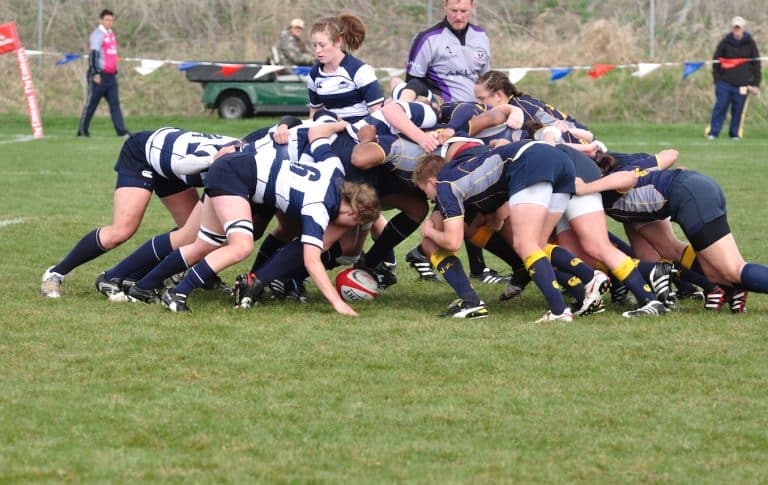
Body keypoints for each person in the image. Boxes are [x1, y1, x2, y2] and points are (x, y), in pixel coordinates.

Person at [40, 128, 241, 299]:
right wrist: (213, 159)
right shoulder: (226, 156)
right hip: (143, 154)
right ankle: (55, 273)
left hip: (172, 170)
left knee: (197, 233)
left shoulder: (246, 160)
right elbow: (181, 165)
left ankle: (184, 277)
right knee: (122, 230)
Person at [403, 1, 501, 285]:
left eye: (464, 11)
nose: (459, 16)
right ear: (444, 5)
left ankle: (431, 255)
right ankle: (468, 264)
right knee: (460, 188)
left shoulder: (481, 36)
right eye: (454, 10)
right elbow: (414, 83)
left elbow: (487, 80)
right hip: (447, 123)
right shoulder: (427, 38)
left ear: (473, 6)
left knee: (478, 189)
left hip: (478, 120)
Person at [706, 16, 761, 140]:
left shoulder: (751, 44)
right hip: (724, 83)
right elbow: (716, 62)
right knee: (720, 108)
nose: (737, 30)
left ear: (743, 28)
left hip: (742, 85)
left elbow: (756, 65)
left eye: (739, 28)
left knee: (738, 110)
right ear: (732, 28)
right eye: (735, 28)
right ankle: (713, 133)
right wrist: (717, 80)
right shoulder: (725, 42)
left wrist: (755, 84)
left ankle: (734, 134)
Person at [77, 9, 130, 138]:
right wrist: (95, 73)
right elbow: (93, 55)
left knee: (115, 105)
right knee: (91, 104)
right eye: (107, 20)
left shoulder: (111, 34)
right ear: (101, 20)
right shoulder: (97, 34)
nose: (109, 22)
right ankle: (82, 131)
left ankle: (121, 131)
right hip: (99, 76)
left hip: (111, 76)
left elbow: (110, 54)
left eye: (111, 20)